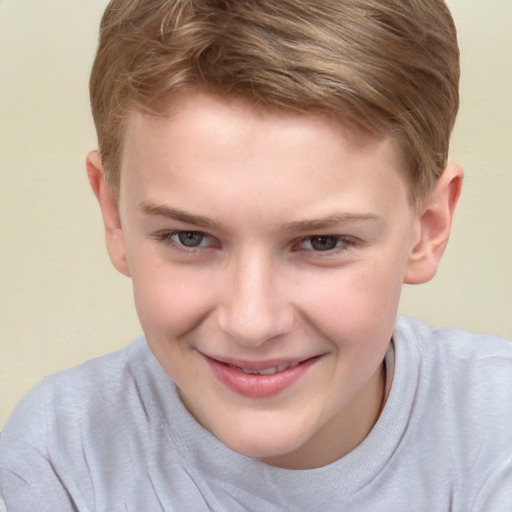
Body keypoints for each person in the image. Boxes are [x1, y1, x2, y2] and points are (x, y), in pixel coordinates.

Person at [1, 0, 511, 510]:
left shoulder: (496, 432)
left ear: (428, 228)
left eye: (322, 242)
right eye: (189, 237)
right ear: (115, 216)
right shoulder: (60, 462)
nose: (252, 322)